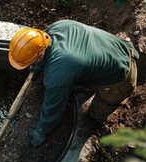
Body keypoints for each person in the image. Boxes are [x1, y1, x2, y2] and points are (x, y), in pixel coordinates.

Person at [8, 19, 139, 149]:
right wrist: (38, 67)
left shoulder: (58, 74)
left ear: (37, 57)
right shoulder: (57, 28)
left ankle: (93, 122)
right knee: (74, 76)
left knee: (96, 113)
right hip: (113, 47)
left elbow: (53, 107)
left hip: (121, 76)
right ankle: (92, 81)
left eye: (28, 62)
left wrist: (41, 130)